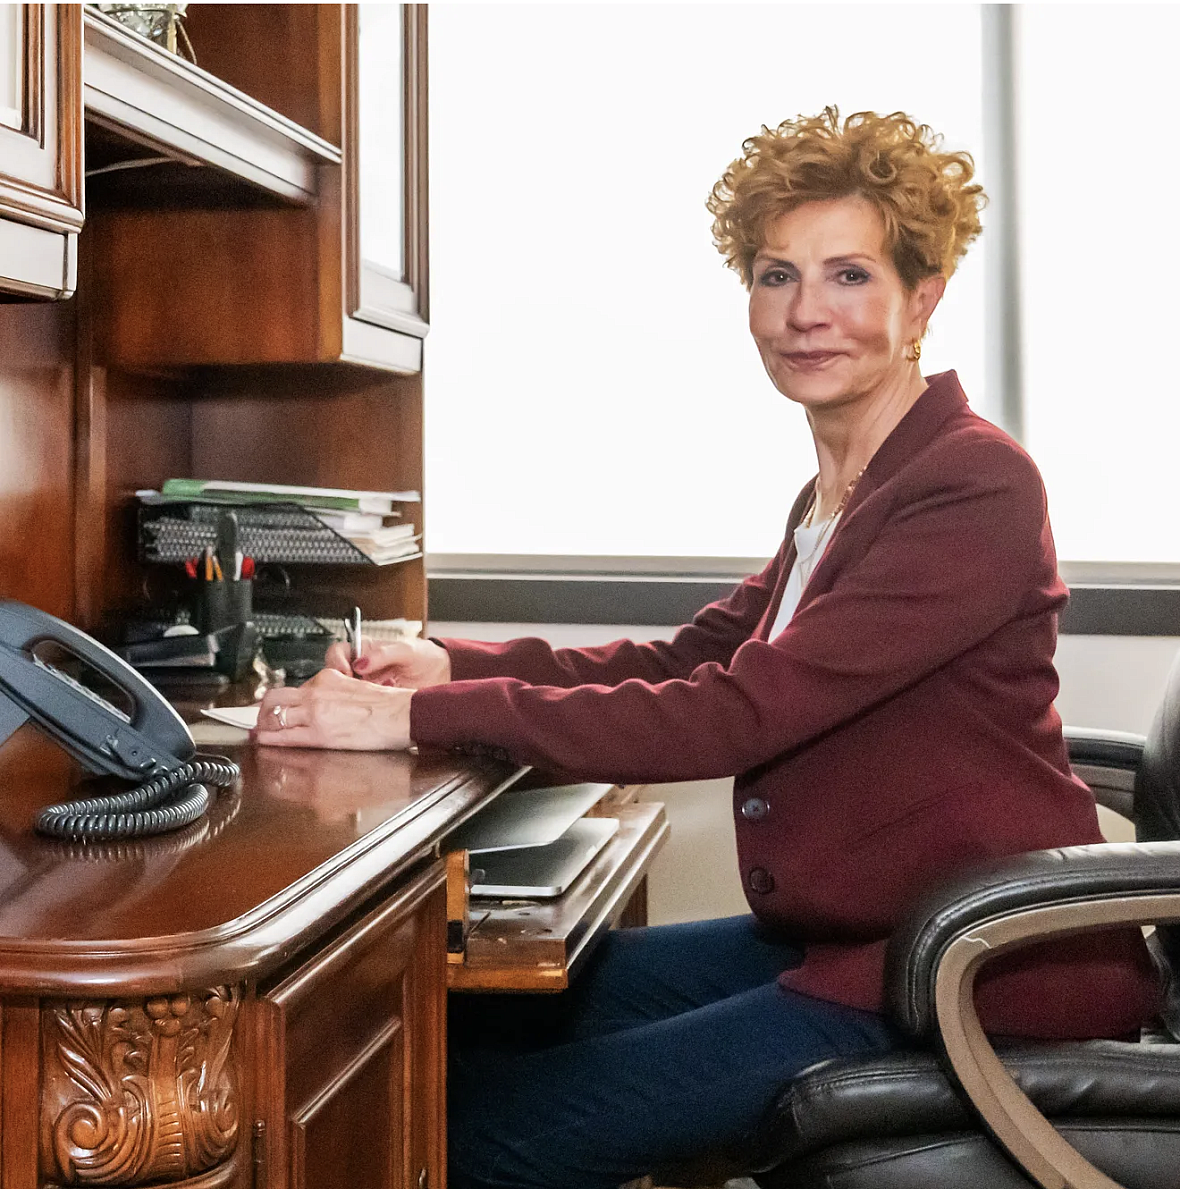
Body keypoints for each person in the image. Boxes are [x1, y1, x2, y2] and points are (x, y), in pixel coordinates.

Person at [253, 109, 1161, 1188]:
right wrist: (452, 661)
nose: (806, 314)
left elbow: (738, 708)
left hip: (969, 967)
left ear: (922, 299)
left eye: (849, 276)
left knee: (480, 1134)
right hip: (855, 935)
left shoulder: (972, 485)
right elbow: (686, 657)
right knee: (465, 1026)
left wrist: (412, 720)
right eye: (777, 275)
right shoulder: (840, 494)